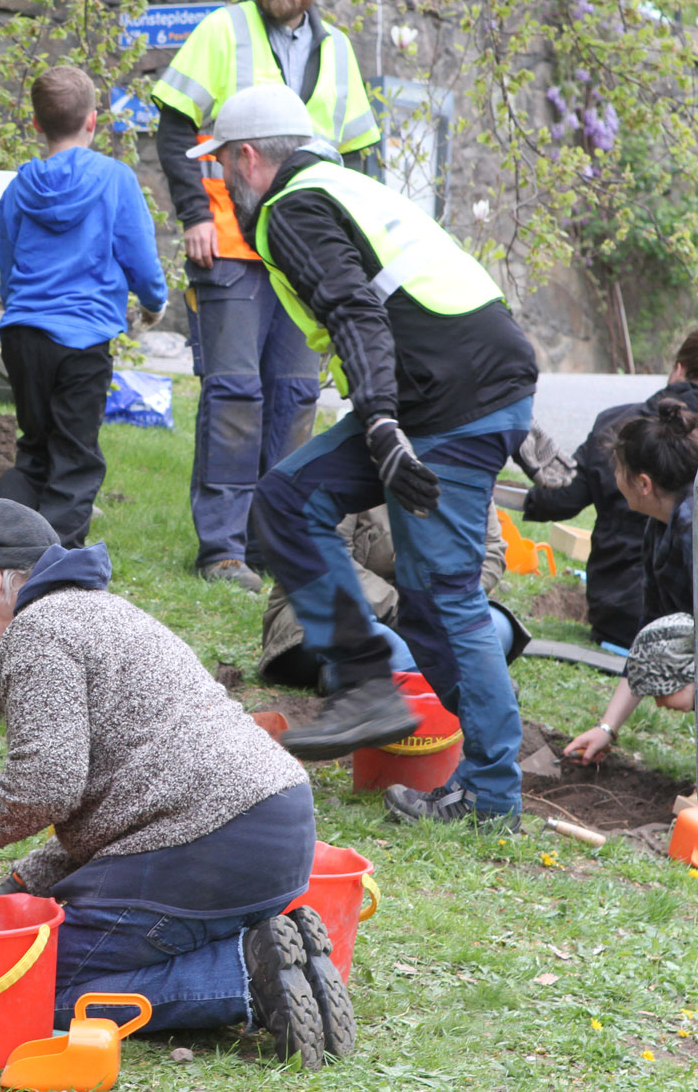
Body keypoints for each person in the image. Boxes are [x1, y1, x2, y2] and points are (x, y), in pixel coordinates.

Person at [191, 83, 538, 829]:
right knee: (295, 505)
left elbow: (356, 308)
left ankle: (490, 794)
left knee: (447, 598)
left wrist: (379, 423)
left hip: (443, 400)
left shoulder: (291, 208)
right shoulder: (342, 185)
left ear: (249, 158)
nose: (217, 183)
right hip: (453, 386)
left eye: (219, 165)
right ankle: (377, 690)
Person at [0, 498, 354, 1068]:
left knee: (20, 984)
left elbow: (47, 785)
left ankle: (239, 977)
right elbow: (119, 806)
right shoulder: (108, 613)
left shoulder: (36, 631)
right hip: (278, 825)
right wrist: (23, 884)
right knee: (53, 944)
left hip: (209, 840)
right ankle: (278, 954)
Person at [151, 0, 379, 593]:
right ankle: (222, 549)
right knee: (233, 393)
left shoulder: (338, 51)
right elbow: (173, 124)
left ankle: (274, 541)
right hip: (225, 244)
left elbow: (359, 153)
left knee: (295, 398)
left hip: (306, 252)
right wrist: (194, 212)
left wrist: (350, 244)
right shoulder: (223, 30)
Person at [0, 67, 167, 548]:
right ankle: (56, 568)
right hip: (84, 339)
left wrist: (21, 314)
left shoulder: (18, 188)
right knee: (74, 455)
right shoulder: (115, 179)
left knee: (34, 449)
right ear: (93, 121)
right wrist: (154, 303)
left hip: (23, 333)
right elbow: (141, 257)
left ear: (35, 124)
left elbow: (8, 264)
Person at [523, 330, 698, 649]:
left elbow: (563, 496)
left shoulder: (619, 422)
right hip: (654, 627)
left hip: (619, 615)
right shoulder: (657, 526)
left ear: (679, 369)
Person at [258, 504, 529, 689]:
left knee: (497, 627)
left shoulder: (465, 462)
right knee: (387, 646)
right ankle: (473, 682)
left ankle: (355, 677)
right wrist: (406, 609)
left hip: (427, 617)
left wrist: (450, 605)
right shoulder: (350, 458)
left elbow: (490, 551)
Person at [564, 400, 698, 764]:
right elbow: (651, 629)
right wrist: (607, 728)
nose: (613, 479)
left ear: (643, 483)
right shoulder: (660, 526)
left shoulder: (691, 533)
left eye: (617, 470)